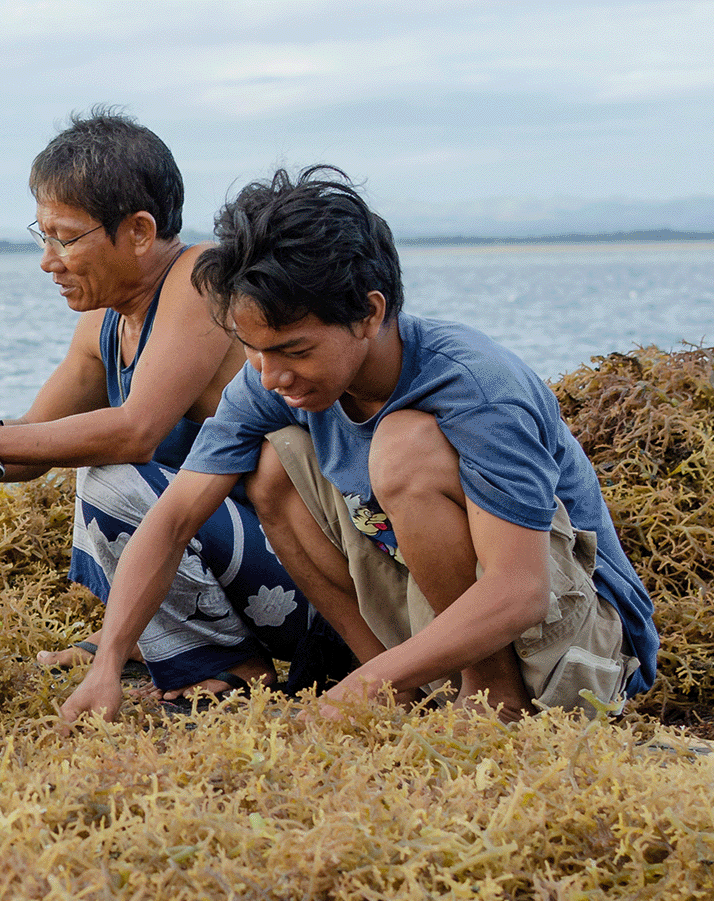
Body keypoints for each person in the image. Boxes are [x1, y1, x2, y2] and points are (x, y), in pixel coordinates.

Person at [62, 166, 658, 726]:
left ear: (370, 314)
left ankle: (490, 697)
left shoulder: (476, 386)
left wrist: (359, 691)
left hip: (583, 647)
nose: (270, 375)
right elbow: (170, 523)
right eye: (252, 349)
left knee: (404, 447)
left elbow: (520, 591)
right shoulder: (272, 380)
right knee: (273, 467)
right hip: (443, 624)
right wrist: (108, 661)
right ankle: (396, 685)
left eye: (295, 351)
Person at [0, 110, 320, 703]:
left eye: (66, 238)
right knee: (94, 463)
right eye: (42, 234)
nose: (48, 260)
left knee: (112, 476)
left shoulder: (203, 281)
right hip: (242, 564)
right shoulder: (105, 317)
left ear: (141, 232)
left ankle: (231, 663)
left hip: (309, 585)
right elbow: (28, 445)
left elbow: (135, 433)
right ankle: (153, 642)